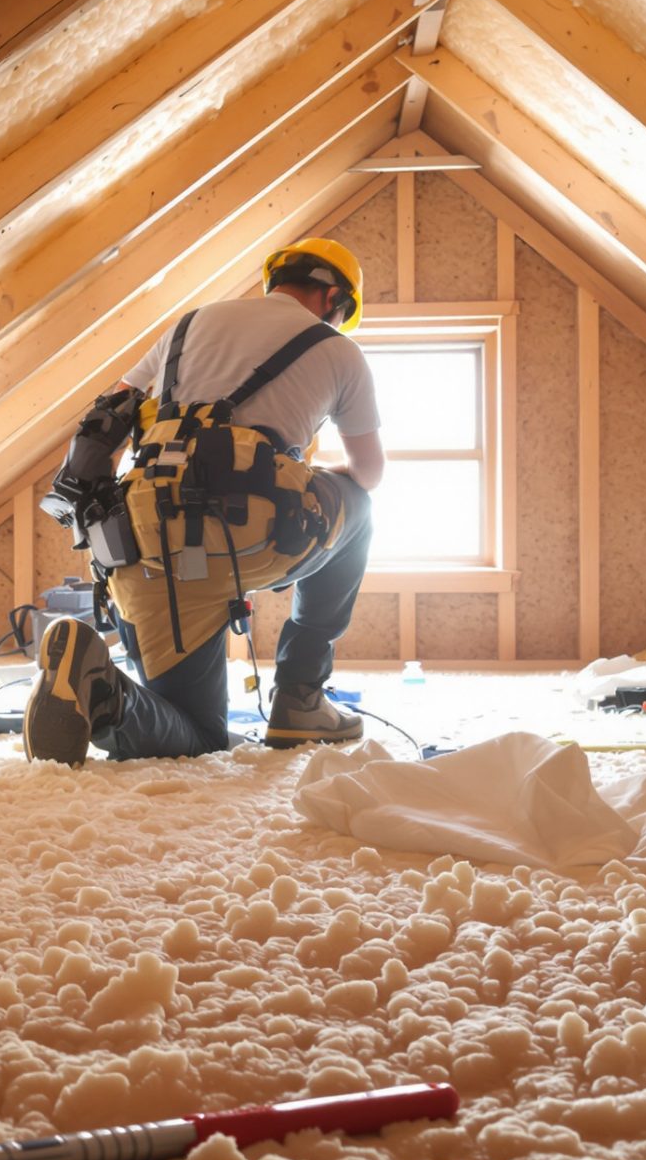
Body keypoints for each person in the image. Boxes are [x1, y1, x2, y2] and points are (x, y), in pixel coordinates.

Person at [24, 238, 386, 765]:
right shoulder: (336, 349)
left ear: (275, 280)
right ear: (333, 297)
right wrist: (311, 479)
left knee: (192, 731)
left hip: (138, 539)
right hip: (251, 532)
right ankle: (299, 697)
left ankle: (99, 682)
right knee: (360, 507)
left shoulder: (188, 325)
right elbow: (370, 474)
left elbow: (109, 414)